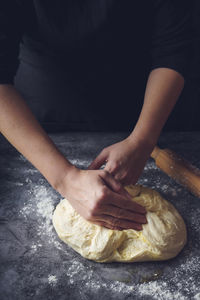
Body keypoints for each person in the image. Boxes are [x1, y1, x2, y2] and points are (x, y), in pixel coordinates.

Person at [0, 1, 193, 231]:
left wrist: (142, 139)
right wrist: (65, 179)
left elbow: (174, 49)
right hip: (41, 119)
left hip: (152, 110)